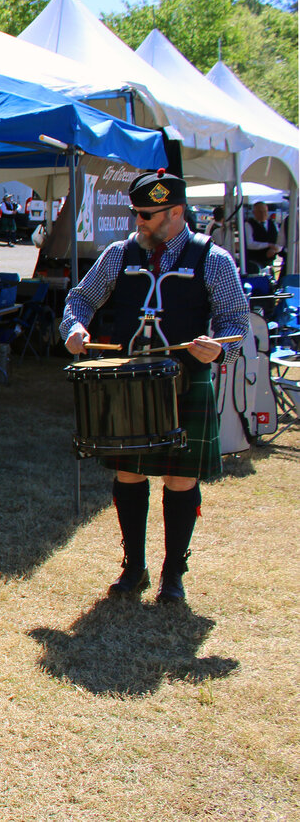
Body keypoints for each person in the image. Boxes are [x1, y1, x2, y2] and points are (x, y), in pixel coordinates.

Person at [61, 169, 247, 604]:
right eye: (135, 212)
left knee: (181, 479)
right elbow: (81, 299)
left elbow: (236, 324)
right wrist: (74, 327)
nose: (138, 222)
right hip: (128, 382)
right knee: (129, 473)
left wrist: (219, 351)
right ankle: (134, 566)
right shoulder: (119, 253)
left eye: (147, 215)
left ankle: (173, 573)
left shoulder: (213, 259)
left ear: (176, 212)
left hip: (185, 382)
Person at [244, 201, 281, 274]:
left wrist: (275, 250)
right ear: (254, 213)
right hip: (254, 263)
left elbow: (280, 241)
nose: (263, 214)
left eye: (265, 211)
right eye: (260, 212)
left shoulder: (273, 224)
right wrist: (268, 245)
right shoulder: (248, 224)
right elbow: (249, 244)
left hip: (269, 263)